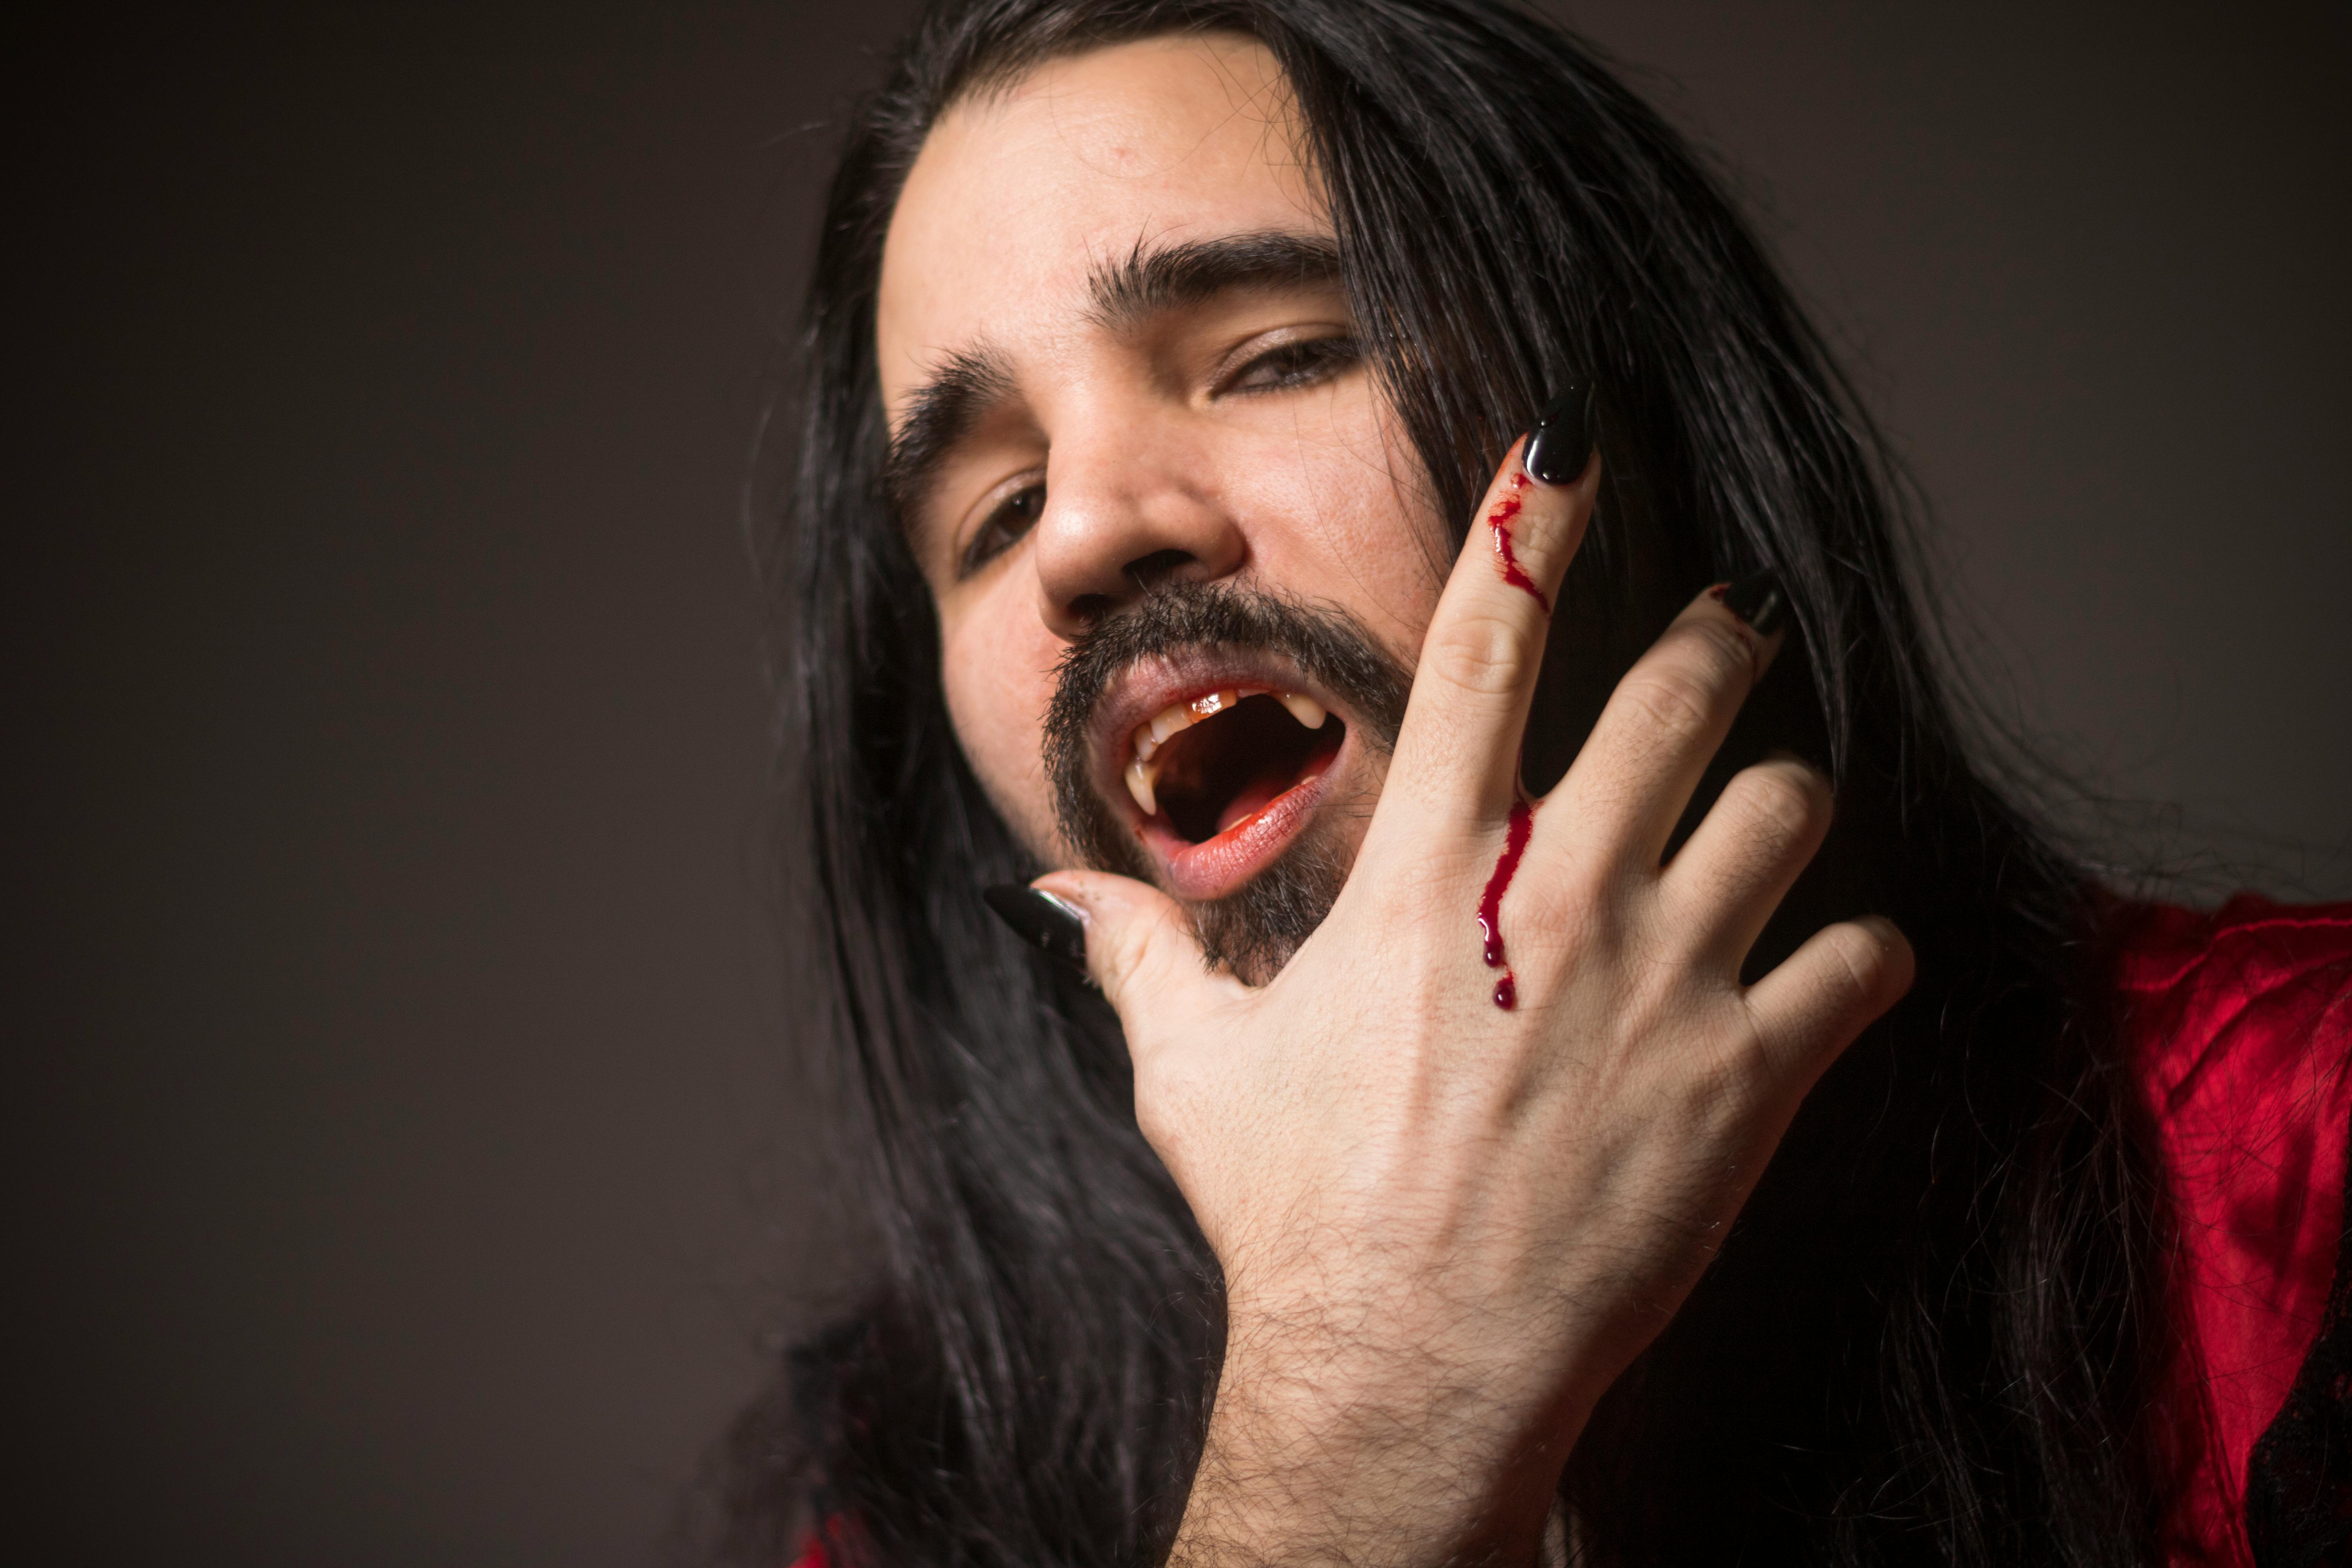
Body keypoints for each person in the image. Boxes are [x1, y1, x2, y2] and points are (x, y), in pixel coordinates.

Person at [703, 3, 2352, 1564]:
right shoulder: (905, 1478)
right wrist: (1357, 1430)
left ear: (1637, 419)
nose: (1082, 534)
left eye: (1274, 355)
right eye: (993, 516)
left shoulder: (2302, 1165)